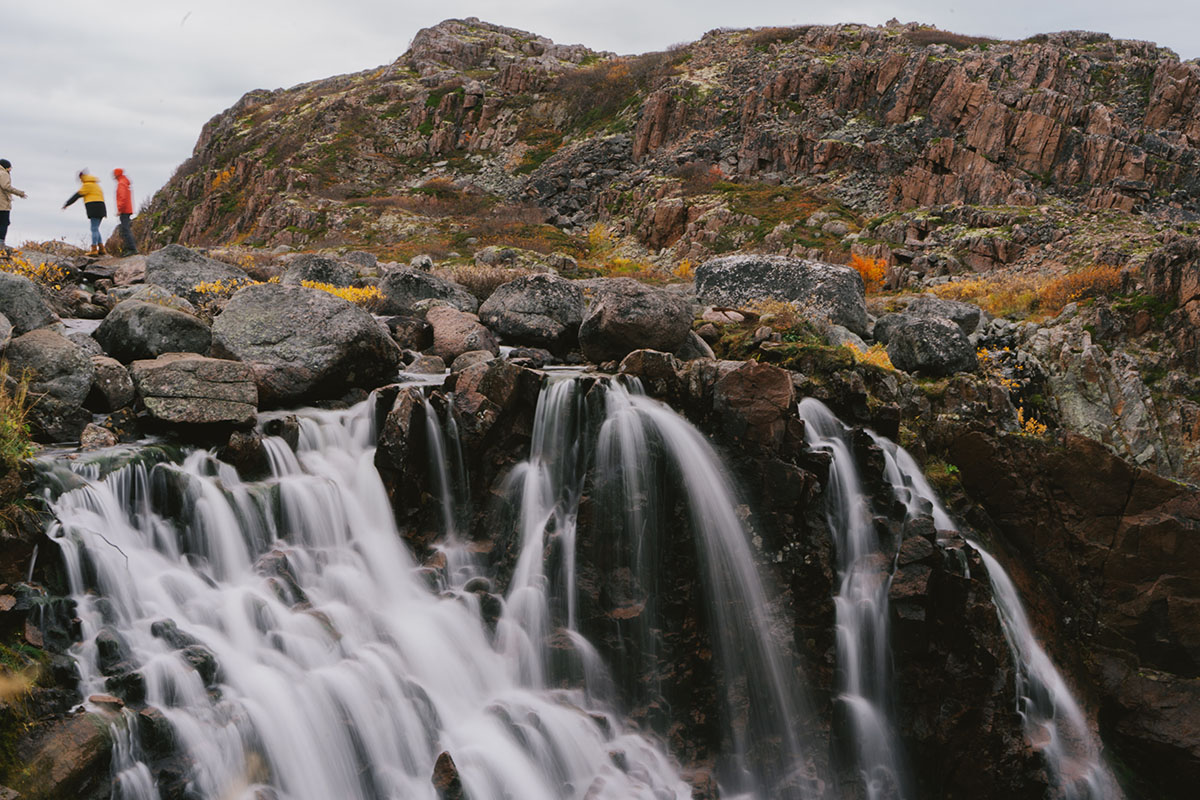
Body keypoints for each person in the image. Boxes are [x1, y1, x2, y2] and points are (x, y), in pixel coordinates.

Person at [63, 169, 107, 256]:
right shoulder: (95, 185)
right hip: (101, 209)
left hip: (94, 208)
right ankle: (101, 249)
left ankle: (94, 249)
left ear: (81, 177)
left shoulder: (87, 185)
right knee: (96, 229)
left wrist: (67, 204)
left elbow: (77, 195)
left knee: (94, 229)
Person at [0, 158, 27, 252]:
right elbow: (5, 186)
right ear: (6, 167)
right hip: (2, 203)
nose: (11, 169)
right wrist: (20, 193)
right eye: (10, 167)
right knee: (4, 222)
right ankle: (1, 242)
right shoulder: (3, 173)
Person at [112, 168, 138, 254]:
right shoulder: (124, 182)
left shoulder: (121, 184)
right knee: (125, 229)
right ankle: (131, 248)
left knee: (125, 229)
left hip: (124, 210)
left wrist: (120, 209)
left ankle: (132, 249)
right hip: (127, 209)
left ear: (117, 175)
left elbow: (122, 198)